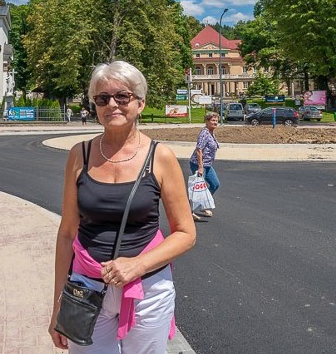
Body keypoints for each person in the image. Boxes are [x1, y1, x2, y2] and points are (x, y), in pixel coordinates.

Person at [49, 60, 196, 352]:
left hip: (148, 288)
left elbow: (186, 233)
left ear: (140, 103)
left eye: (122, 97)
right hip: (86, 287)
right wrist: (57, 306)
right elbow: (67, 233)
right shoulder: (80, 154)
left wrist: (137, 265)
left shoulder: (160, 157)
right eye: (102, 99)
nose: (112, 105)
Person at [189, 111, 221, 221]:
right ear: (207, 121)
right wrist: (200, 167)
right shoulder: (204, 133)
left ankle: (203, 206)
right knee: (197, 189)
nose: (215, 122)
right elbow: (199, 150)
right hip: (199, 164)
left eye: (216, 120)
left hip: (208, 165)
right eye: (212, 120)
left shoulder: (211, 132)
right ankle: (189, 212)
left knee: (215, 184)